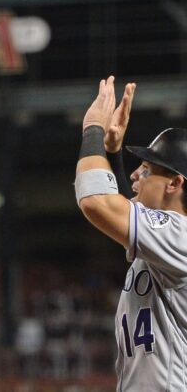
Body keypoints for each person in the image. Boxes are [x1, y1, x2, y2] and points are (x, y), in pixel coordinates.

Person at [75, 76, 187, 391]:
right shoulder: (168, 239)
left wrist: (93, 129)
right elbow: (123, 212)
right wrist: (112, 153)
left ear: (175, 183)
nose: (136, 173)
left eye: (148, 169)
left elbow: (98, 202)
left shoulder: (180, 235)